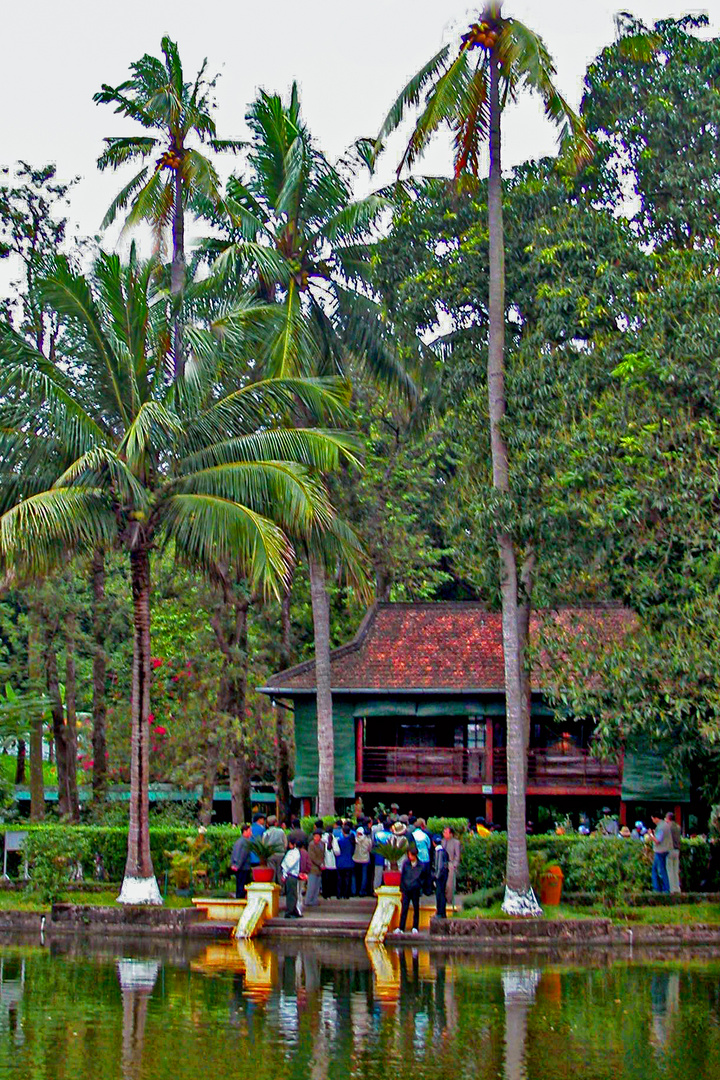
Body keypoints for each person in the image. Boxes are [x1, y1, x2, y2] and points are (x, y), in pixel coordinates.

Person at [395, 844, 424, 934]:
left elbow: (422, 878)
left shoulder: (421, 865)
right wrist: (402, 888)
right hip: (406, 889)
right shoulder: (406, 864)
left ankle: (415, 926)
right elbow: (403, 876)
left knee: (416, 908)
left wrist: (418, 886)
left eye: (411, 855)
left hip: (415, 889)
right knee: (404, 908)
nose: (409, 857)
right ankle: (401, 927)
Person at [650, 813, 673, 893]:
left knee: (660, 870)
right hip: (664, 850)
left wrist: (651, 835)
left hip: (660, 851)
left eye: (653, 819)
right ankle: (659, 888)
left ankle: (663, 889)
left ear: (656, 818)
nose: (653, 821)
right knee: (657, 869)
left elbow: (657, 840)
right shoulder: (665, 825)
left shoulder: (661, 827)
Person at [230, 823, 253, 899]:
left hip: (239, 866)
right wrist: (238, 865)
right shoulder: (245, 842)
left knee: (239, 884)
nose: (251, 833)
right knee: (243, 886)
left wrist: (233, 864)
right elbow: (243, 855)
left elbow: (234, 853)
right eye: (250, 831)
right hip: (243, 867)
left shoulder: (238, 841)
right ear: (245, 831)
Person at [281, 838, 302, 918]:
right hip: (291, 875)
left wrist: (284, 874)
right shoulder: (294, 853)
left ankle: (292, 910)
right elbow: (289, 864)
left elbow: (287, 864)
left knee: (292, 894)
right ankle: (290, 911)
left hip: (291, 875)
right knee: (292, 894)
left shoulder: (293, 853)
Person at [411, 818, 433, 894]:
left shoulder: (412, 835)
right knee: (427, 875)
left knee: (417, 876)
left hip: (417, 858)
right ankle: (427, 891)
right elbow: (429, 845)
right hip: (425, 857)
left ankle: (418, 891)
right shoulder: (425, 835)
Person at [264, 815, 287, 884]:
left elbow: (264, 844)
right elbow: (285, 843)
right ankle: (281, 889)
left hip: (271, 855)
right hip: (280, 854)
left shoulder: (266, 833)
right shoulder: (281, 832)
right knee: (280, 872)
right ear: (276, 823)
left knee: (272, 872)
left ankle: (273, 887)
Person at [442, 825, 461, 907]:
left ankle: (449, 901)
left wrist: (454, 865)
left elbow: (457, 856)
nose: (444, 834)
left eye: (446, 832)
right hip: (442, 864)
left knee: (449, 885)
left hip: (450, 864)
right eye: (444, 832)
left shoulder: (456, 842)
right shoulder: (442, 841)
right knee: (442, 885)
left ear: (451, 834)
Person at [306, 830, 326, 907]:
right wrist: (320, 864)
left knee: (317, 885)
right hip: (313, 867)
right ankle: (308, 900)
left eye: (318, 836)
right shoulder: (311, 845)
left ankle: (314, 900)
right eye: (315, 836)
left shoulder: (322, 844)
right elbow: (312, 857)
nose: (316, 838)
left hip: (320, 868)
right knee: (311, 885)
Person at [352, 826, 373, 896]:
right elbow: (370, 849)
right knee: (364, 875)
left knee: (354, 875)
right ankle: (362, 891)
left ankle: (354, 890)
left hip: (356, 858)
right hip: (365, 859)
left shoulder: (355, 839)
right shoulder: (368, 840)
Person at [336, 824, 355, 899]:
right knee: (348, 879)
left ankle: (339, 894)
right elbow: (352, 851)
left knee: (340, 879)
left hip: (340, 862)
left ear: (342, 831)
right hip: (349, 862)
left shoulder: (339, 841)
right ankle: (346, 894)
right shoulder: (352, 841)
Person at [665, 811, 682, 894]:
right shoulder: (678, 827)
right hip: (677, 850)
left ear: (668, 818)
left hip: (669, 850)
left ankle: (671, 889)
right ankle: (677, 888)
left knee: (670, 870)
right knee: (675, 870)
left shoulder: (667, 827)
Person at [433, 835, 449, 918]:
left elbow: (439, 866)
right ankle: (442, 912)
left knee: (439, 894)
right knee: (442, 893)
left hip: (440, 877)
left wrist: (436, 877)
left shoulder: (438, 852)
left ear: (433, 843)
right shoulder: (444, 851)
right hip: (444, 876)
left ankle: (440, 912)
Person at [322, 826, 340, 898]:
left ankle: (325, 893)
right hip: (332, 862)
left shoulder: (322, 838)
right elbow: (337, 851)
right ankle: (331, 893)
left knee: (324, 879)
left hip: (324, 862)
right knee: (331, 879)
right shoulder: (333, 839)